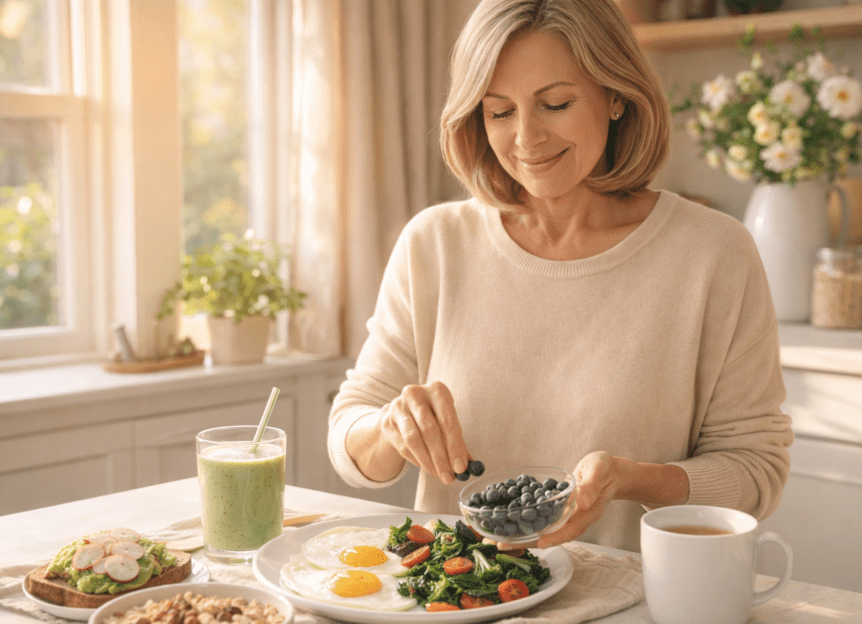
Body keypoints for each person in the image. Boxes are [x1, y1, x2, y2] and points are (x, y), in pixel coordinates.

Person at [327, 0, 792, 552]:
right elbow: (350, 444)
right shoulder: (434, 244)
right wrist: (390, 426)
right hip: (462, 605)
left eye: (555, 103)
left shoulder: (714, 253)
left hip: (633, 616)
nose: (526, 138)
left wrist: (631, 480)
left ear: (617, 95)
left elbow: (756, 471)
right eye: (499, 112)